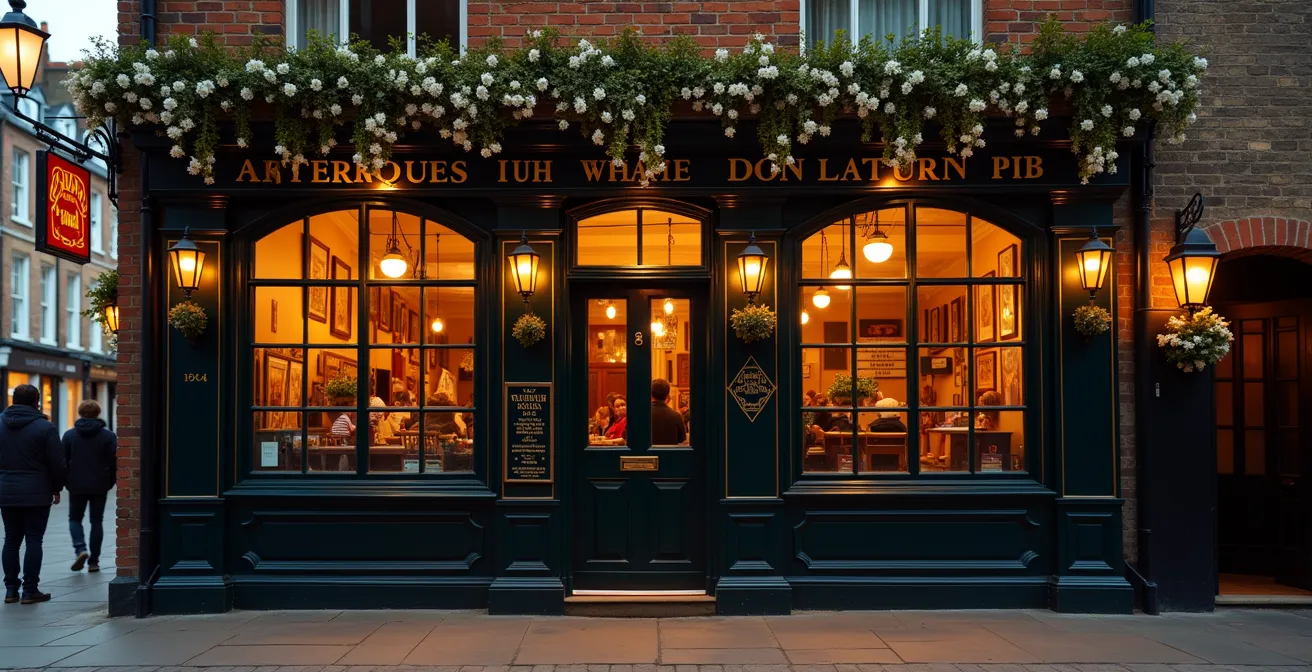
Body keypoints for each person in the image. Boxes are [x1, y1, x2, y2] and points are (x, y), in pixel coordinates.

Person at [0, 384, 66, 604]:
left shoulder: (0, 423)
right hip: (37, 490)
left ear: (13, 399)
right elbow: (57, 463)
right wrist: (57, 487)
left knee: (11, 539)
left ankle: (10, 590)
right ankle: (30, 590)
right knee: (34, 539)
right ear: (36, 401)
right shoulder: (44, 427)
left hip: (6, 490)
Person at [63, 400, 116, 573]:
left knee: (75, 518)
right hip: (100, 484)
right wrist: (110, 481)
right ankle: (94, 561)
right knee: (96, 521)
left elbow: (62, 461)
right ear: (98, 413)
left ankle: (80, 549)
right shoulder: (108, 436)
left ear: (79, 413)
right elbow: (115, 461)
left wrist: (65, 480)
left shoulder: (69, 435)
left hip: (76, 484)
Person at [649, 379, 687, 446]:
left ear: (650, 394)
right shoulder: (676, 415)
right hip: (670, 455)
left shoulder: (642, 414)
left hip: (648, 455)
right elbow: (681, 439)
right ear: (667, 396)